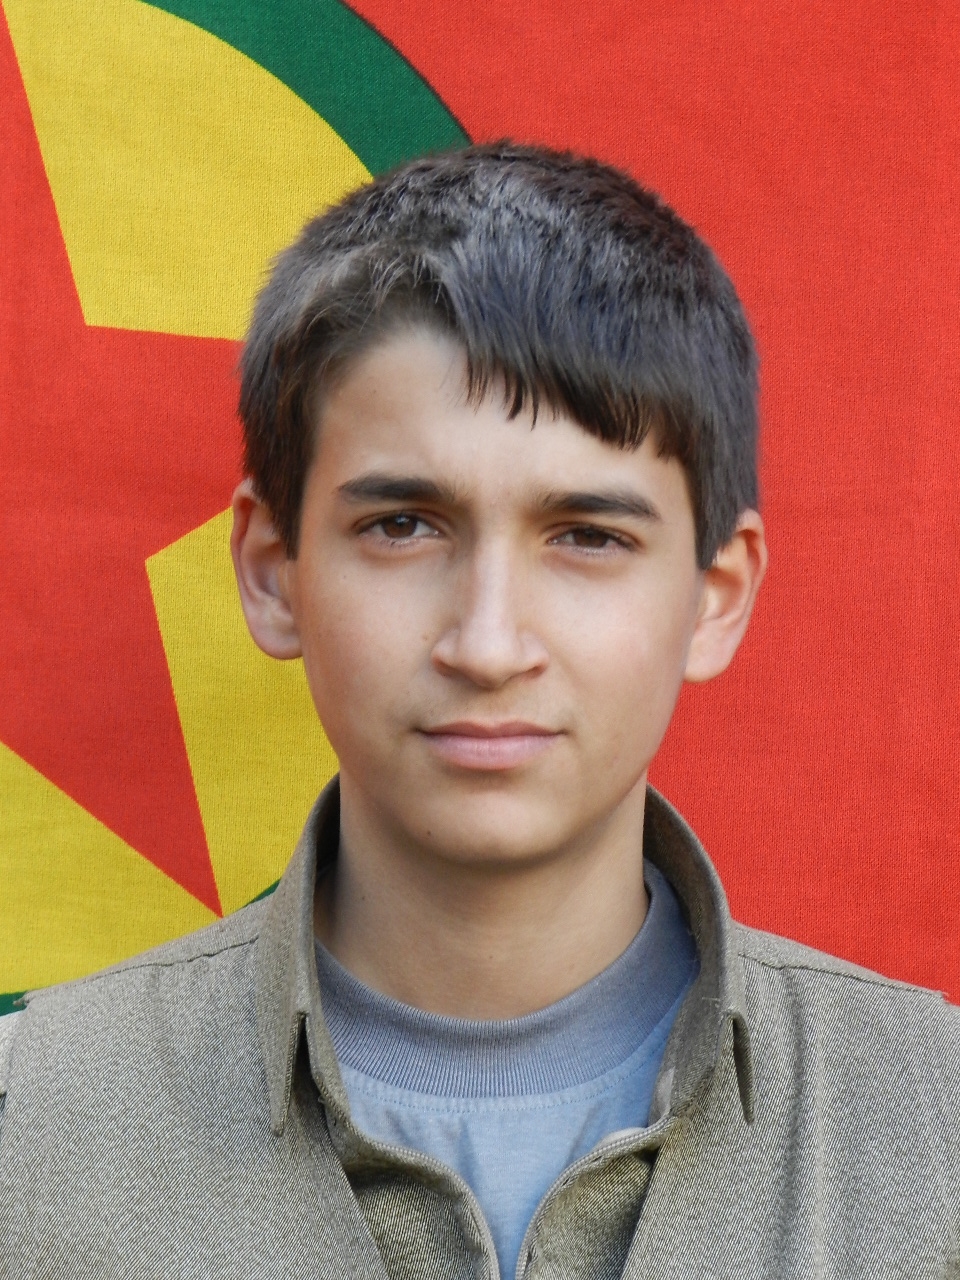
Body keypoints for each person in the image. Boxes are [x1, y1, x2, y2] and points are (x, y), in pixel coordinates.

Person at [0, 143, 957, 1278]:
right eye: (404, 525)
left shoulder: (933, 1128)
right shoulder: (30, 1134)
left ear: (715, 595)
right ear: (271, 570)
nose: (489, 644)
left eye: (588, 536)